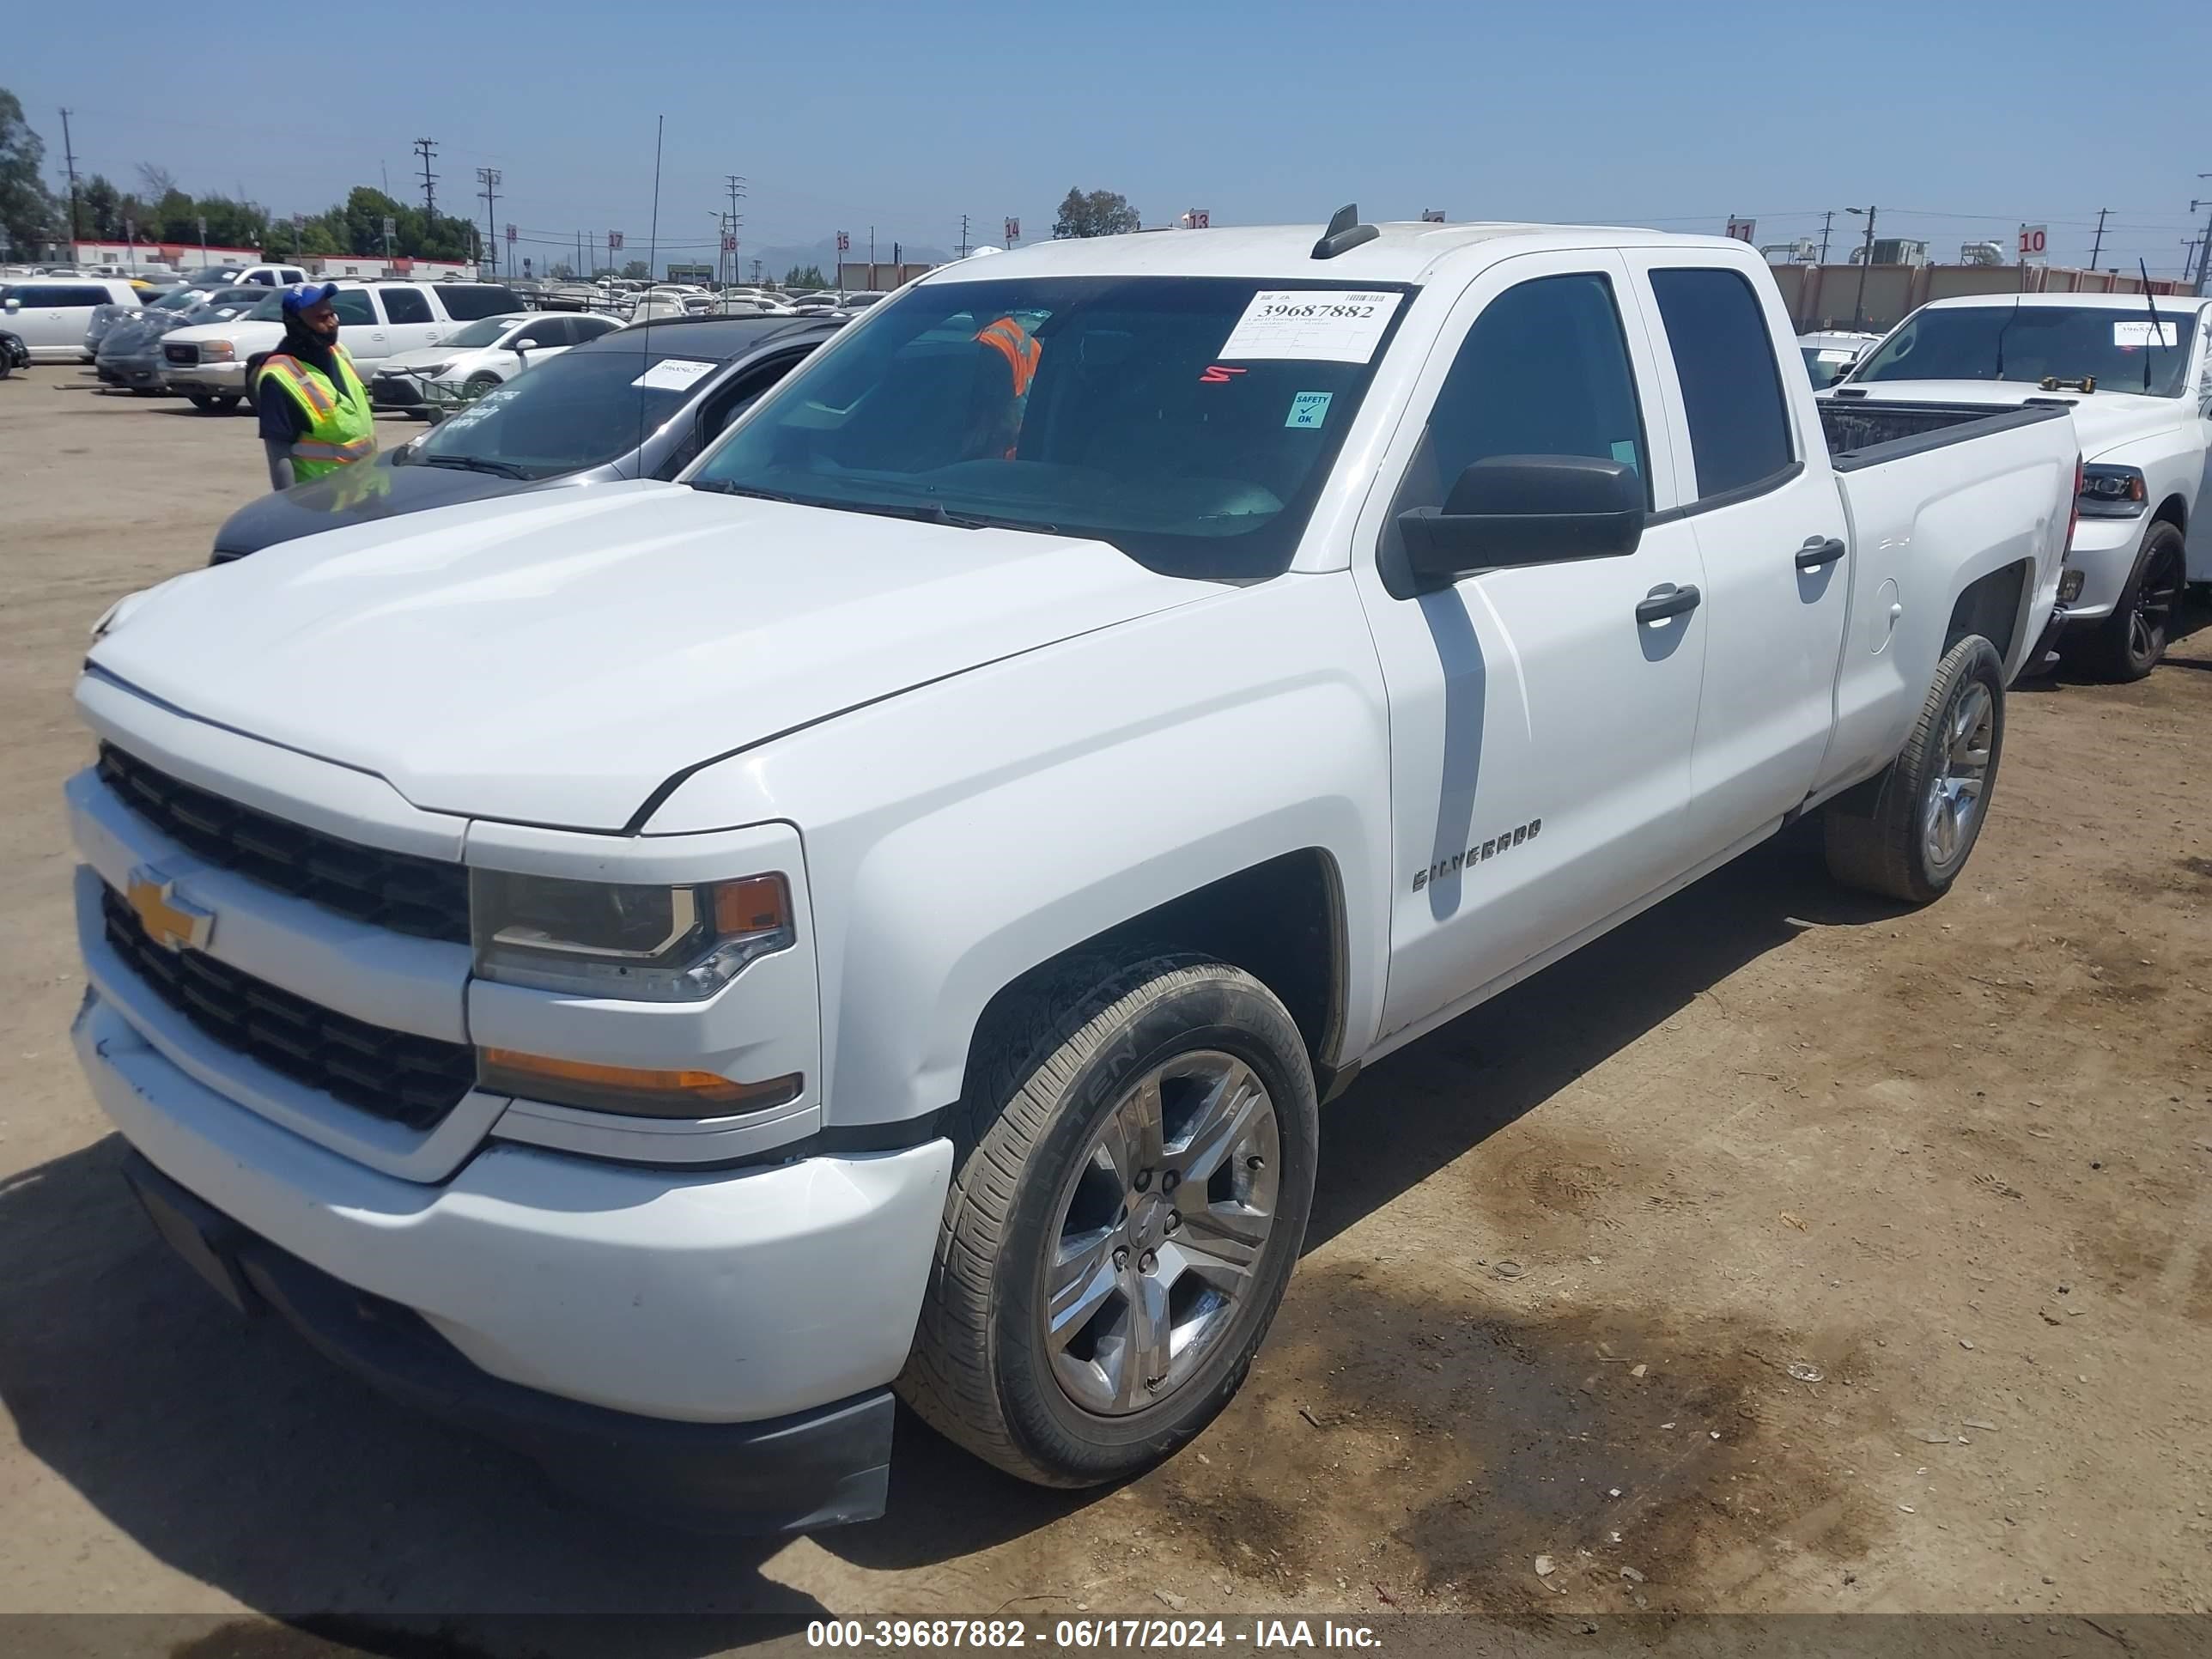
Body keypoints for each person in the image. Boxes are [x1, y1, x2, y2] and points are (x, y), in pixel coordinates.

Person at [255, 282, 375, 490]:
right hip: (320, 503)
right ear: (296, 324)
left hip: (365, 491)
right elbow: (279, 457)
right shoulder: (278, 377)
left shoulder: (338, 353)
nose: (332, 323)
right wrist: (288, 507)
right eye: (321, 318)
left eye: (332, 315)